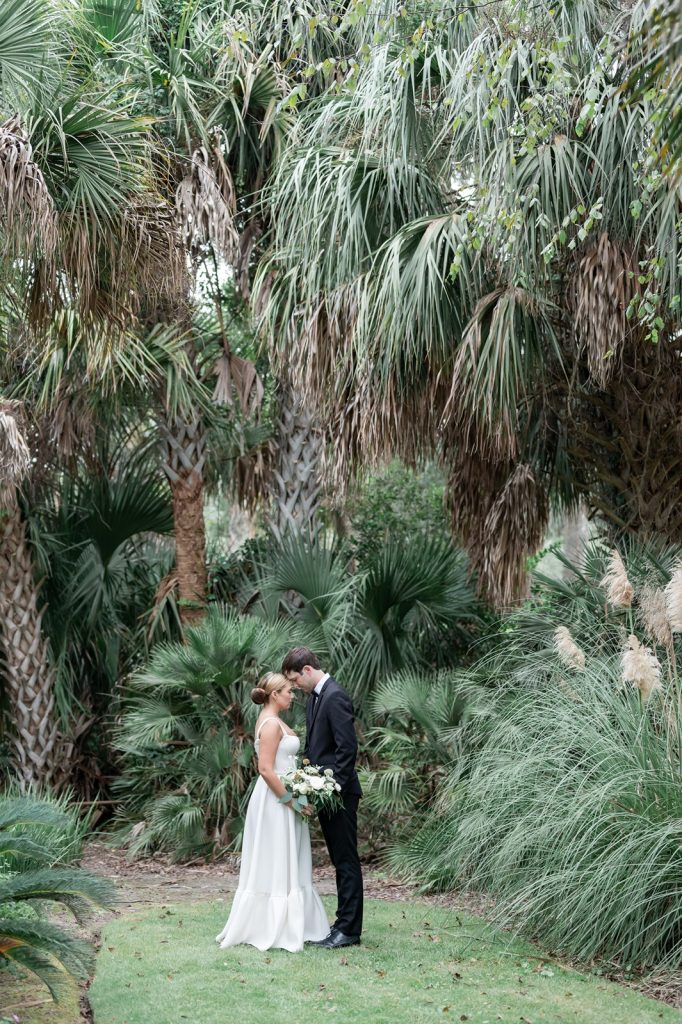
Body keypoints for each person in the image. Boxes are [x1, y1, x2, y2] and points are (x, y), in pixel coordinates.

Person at [215, 672, 329, 952]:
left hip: (285, 796)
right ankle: (269, 925)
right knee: (276, 858)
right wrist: (292, 801)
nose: (293, 695)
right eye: (288, 691)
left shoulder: (277, 721)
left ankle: (298, 923)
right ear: (275, 695)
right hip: (275, 801)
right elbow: (265, 769)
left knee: (290, 857)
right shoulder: (269, 725)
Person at [282, 647, 363, 949]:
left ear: (306, 670)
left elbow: (346, 751)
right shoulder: (316, 698)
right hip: (325, 792)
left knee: (346, 861)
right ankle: (342, 924)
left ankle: (349, 931)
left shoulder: (335, 696)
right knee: (338, 860)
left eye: (294, 679)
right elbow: (318, 751)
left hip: (340, 795)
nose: (293, 686)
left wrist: (331, 790)